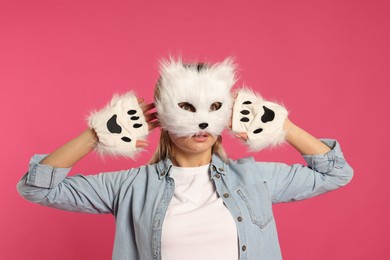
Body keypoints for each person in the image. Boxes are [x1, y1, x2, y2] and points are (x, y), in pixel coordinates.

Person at [17, 58, 353, 260]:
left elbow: (336, 173)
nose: (201, 122)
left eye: (214, 108)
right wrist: (98, 134)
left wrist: (282, 126)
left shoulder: (254, 179)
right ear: (162, 118)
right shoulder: (130, 187)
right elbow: (37, 188)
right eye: (187, 109)